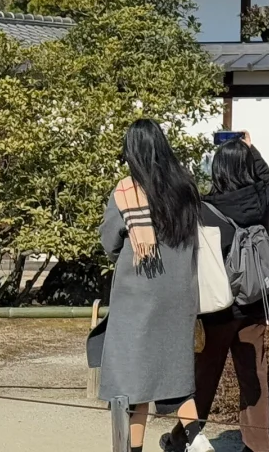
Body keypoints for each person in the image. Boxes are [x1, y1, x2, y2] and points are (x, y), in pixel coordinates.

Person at [165, 131, 269, 452]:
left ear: (216, 171)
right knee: (253, 378)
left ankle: (181, 439)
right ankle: (258, 446)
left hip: (216, 308)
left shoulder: (203, 209)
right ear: (248, 168)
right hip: (256, 303)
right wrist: (251, 148)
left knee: (204, 377)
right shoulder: (263, 203)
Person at [99, 119, 206, 452]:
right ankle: (198, 440)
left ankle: (132, 450)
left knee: (133, 382)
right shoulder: (186, 187)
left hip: (139, 298)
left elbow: (109, 242)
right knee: (176, 376)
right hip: (180, 294)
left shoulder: (127, 192)